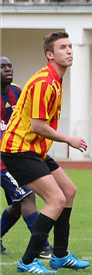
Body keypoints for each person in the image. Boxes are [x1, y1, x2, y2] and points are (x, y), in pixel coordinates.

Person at [0, 32, 89, 274]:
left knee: (68, 191)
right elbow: (37, 126)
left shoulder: (56, 80)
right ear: (50, 54)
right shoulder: (44, 82)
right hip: (18, 150)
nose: (69, 51)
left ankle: (60, 255)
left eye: (70, 46)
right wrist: (69, 139)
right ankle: (28, 261)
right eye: (63, 47)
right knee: (56, 199)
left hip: (34, 149)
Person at [1, 57, 53, 257]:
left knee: (17, 204)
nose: (8, 69)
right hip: (3, 160)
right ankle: (43, 247)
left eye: (9, 66)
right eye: (2, 67)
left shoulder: (17, 91)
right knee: (26, 196)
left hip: (15, 155)